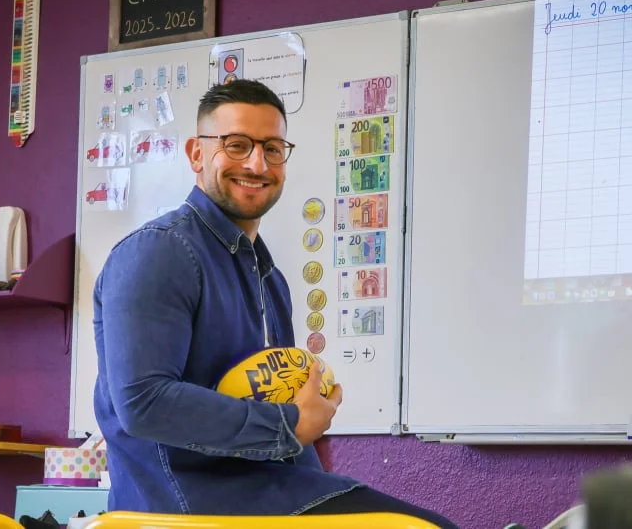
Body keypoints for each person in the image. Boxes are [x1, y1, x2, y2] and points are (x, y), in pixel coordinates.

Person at [92, 79, 458, 528]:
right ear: (196, 153)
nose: (256, 162)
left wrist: (301, 430)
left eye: (273, 148)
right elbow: (143, 401)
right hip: (187, 510)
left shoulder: (270, 279)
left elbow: (282, 412)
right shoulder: (158, 252)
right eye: (236, 144)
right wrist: (287, 425)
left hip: (265, 495)